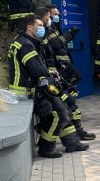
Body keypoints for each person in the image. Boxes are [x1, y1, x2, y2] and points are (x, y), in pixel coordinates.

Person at [7, 15, 89, 158]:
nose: (42, 29)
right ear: (29, 27)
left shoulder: (27, 42)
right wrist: (50, 81)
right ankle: (46, 147)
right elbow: (37, 69)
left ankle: (72, 142)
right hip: (29, 91)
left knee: (64, 107)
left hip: (35, 88)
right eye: (39, 26)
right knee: (59, 114)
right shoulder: (26, 45)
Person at [45, 4, 95, 141]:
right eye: (54, 14)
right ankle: (77, 132)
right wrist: (70, 34)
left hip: (64, 66)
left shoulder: (55, 28)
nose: (57, 17)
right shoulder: (48, 30)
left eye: (58, 14)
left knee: (70, 98)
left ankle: (77, 131)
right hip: (60, 68)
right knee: (69, 98)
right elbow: (56, 45)